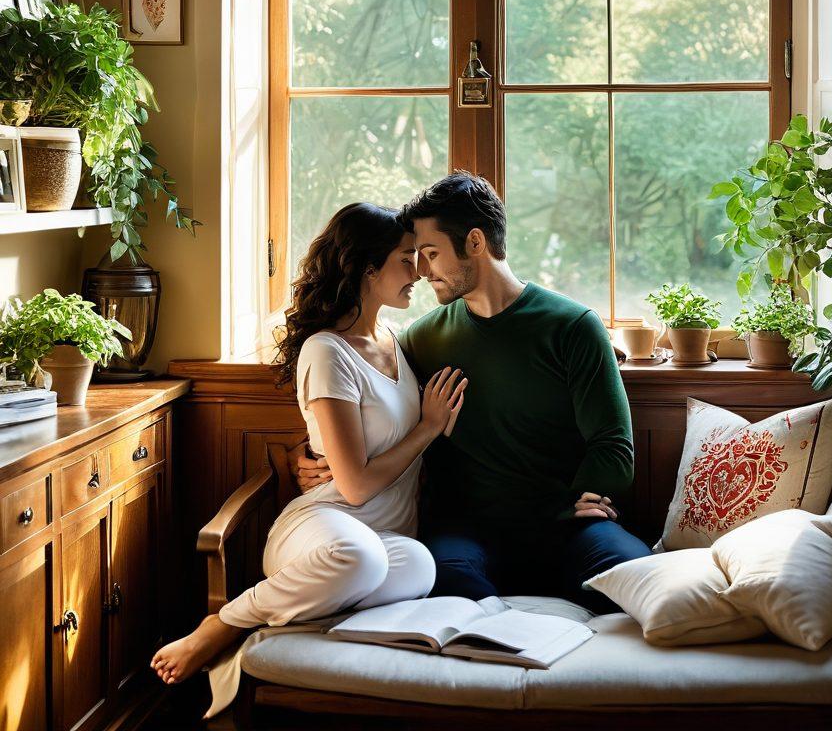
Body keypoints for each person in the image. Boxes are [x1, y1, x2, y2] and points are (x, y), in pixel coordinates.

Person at [297, 172, 652, 610]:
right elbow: (370, 401)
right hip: (466, 533)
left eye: (431, 253)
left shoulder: (574, 326)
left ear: (476, 242)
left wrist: (573, 506)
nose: (421, 271)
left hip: (565, 524)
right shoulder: (421, 339)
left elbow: (614, 447)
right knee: (447, 582)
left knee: (637, 575)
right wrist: (308, 454)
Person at [151, 202, 466, 686]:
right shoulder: (326, 351)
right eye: (407, 259)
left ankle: (310, 615)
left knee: (420, 566)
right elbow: (355, 488)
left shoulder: (395, 340)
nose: (419, 272)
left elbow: (365, 431)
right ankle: (224, 623)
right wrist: (428, 427)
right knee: (361, 558)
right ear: (367, 269)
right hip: (325, 532)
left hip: (385, 541)